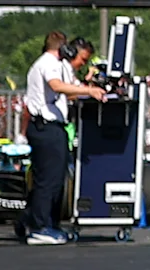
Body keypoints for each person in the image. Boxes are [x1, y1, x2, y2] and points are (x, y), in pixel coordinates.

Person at [22, 32, 106, 246]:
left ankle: (34, 223)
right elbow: (57, 86)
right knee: (48, 180)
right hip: (45, 126)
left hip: (51, 127)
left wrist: (87, 89)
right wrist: (88, 89)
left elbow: (66, 90)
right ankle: (39, 227)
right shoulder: (49, 62)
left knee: (54, 178)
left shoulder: (53, 63)